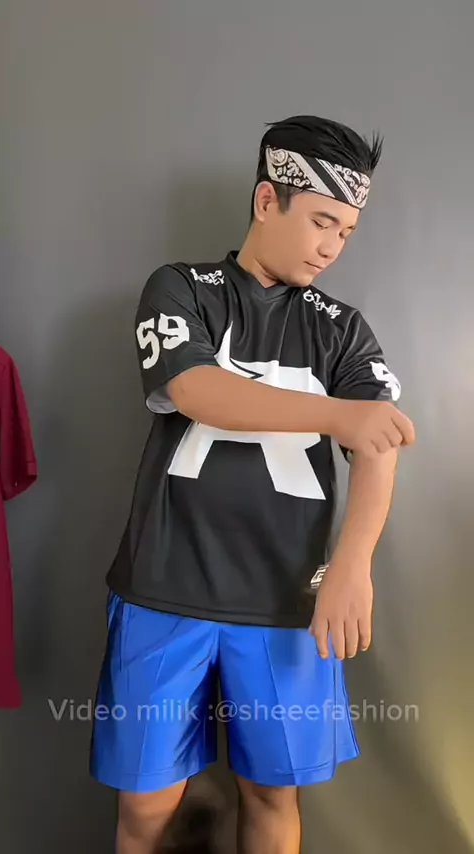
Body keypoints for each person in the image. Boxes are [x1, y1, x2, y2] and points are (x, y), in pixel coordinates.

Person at [89, 114, 415, 854]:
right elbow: (195, 389)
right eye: (322, 222)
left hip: (285, 602)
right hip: (163, 588)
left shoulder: (341, 328)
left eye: (347, 232)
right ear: (269, 200)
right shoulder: (181, 289)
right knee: (146, 803)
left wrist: (354, 563)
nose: (332, 246)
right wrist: (341, 414)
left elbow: (378, 445)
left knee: (272, 792)